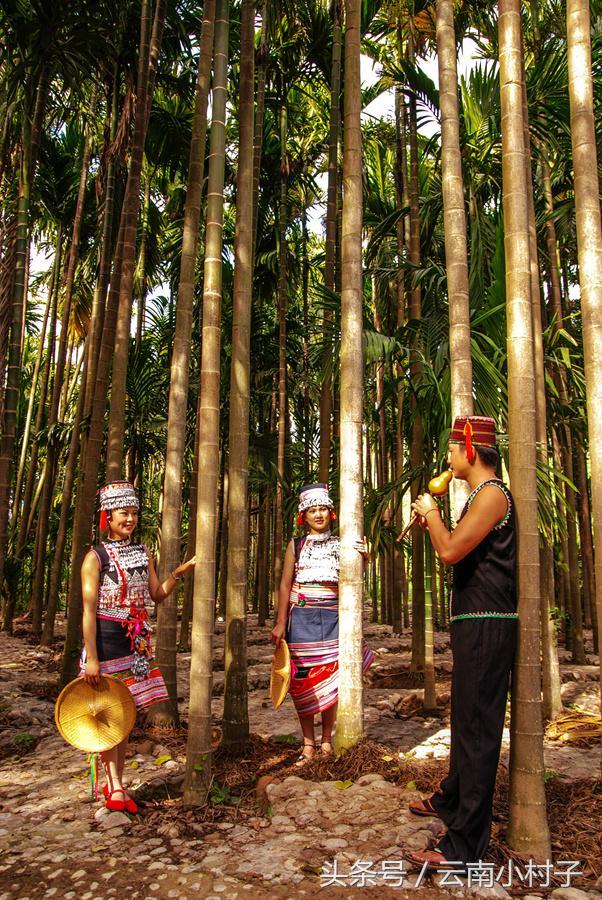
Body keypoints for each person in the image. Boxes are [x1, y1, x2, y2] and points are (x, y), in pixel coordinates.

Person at [407, 416, 517, 871]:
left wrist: (431, 515)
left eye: (453, 450)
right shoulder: (479, 496)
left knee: (476, 730)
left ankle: (464, 846)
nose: (449, 459)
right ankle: (452, 801)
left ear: (470, 451)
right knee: (465, 721)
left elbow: (451, 551)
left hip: (489, 623)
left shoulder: (492, 495)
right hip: (475, 621)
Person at [81, 480, 195, 812]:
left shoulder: (143, 551)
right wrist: (92, 658)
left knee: (126, 714)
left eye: (133, 513)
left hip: (137, 642)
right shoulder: (95, 557)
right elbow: (89, 610)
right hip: (106, 639)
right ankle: (114, 785)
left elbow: (157, 595)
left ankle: (117, 784)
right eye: (122, 513)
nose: (129, 519)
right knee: (108, 715)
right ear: (108, 516)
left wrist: (180, 571)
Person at [271, 483, 374, 763]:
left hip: (333, 618)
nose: (318, 515)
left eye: (322, 510)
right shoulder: (296, 545)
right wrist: (281, 622)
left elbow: (352, 580)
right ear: (303, 516)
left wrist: (365, 558)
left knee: (331, 678)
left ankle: (327, 741)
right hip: (301, 619)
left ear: (332, 513)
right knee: (302, 682)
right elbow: (285, 584)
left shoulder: (343, 543)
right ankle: (307, 743)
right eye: (312, 510)